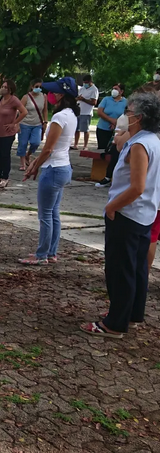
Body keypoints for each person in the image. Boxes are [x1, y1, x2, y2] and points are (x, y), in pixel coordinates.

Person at [81, 91, 160, 338]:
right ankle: (133, 313)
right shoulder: (151, 140)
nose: (124, 116)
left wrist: (112, 206)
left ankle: (114, 323)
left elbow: (137, 186)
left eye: (128, 113)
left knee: (120, 269)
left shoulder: (140, 145)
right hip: (143, 214)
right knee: (136, 268)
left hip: (127, 214)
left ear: (140, 117)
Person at [20, 77, 79, 265]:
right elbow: (53, 148)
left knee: (45, 215)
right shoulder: (71, 114)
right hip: (62, 167)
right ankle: (51, 252)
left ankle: (42, 255)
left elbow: (48, 149)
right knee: (53, 213)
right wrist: (37, 163)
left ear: (61, 95)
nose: (49, 95)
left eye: (52, 92)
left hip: (53, 169)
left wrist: (34, 167)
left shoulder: (60, 117)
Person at [0, 80, 27, 189]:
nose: (2, 88)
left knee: (5, 155)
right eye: (2, 86)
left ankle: (5, 178)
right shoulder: (2, 99)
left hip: (8, 134)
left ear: (10, 89)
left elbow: (24, 112)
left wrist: (14, 123)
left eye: (5, 87)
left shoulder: (14, 100)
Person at [95, 83, 128, 187]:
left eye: (116, 89)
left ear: (121, 91)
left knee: (115, 151)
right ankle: (102, 173)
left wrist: (117, 124)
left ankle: (109, 176)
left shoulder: (126, 102)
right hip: (103, 128)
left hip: (119, 129)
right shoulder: (106, 99)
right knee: (104, 149)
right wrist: (111, 121)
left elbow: (127, 116)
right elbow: (100, 112)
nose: (113, 90)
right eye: (113, 88)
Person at [17, 80, 48, 172]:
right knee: (23, 143)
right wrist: (17, 123)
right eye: (37, 86)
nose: (38, 88)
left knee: (36, 142)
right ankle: (22, 163)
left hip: (37, 124)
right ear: (32, 86)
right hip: (25, 123)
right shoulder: (26, 97)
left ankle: (28, 154)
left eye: (40, 87)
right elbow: (19, 110)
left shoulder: (44, 96)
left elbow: (45, 110)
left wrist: (45, 122)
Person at [74, 74, 98, 150]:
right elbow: (77, 97)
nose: (85, 84)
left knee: (85, 130)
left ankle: (85, 146)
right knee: (76, 129)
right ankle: (75, 144)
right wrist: (78, 98)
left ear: (91, 81)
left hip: (86, 112)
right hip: (79, 111)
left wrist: (83, 99)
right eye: (84, 82)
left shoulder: (94, 90)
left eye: (87, 82)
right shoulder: (82, 88)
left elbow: (94, 102)